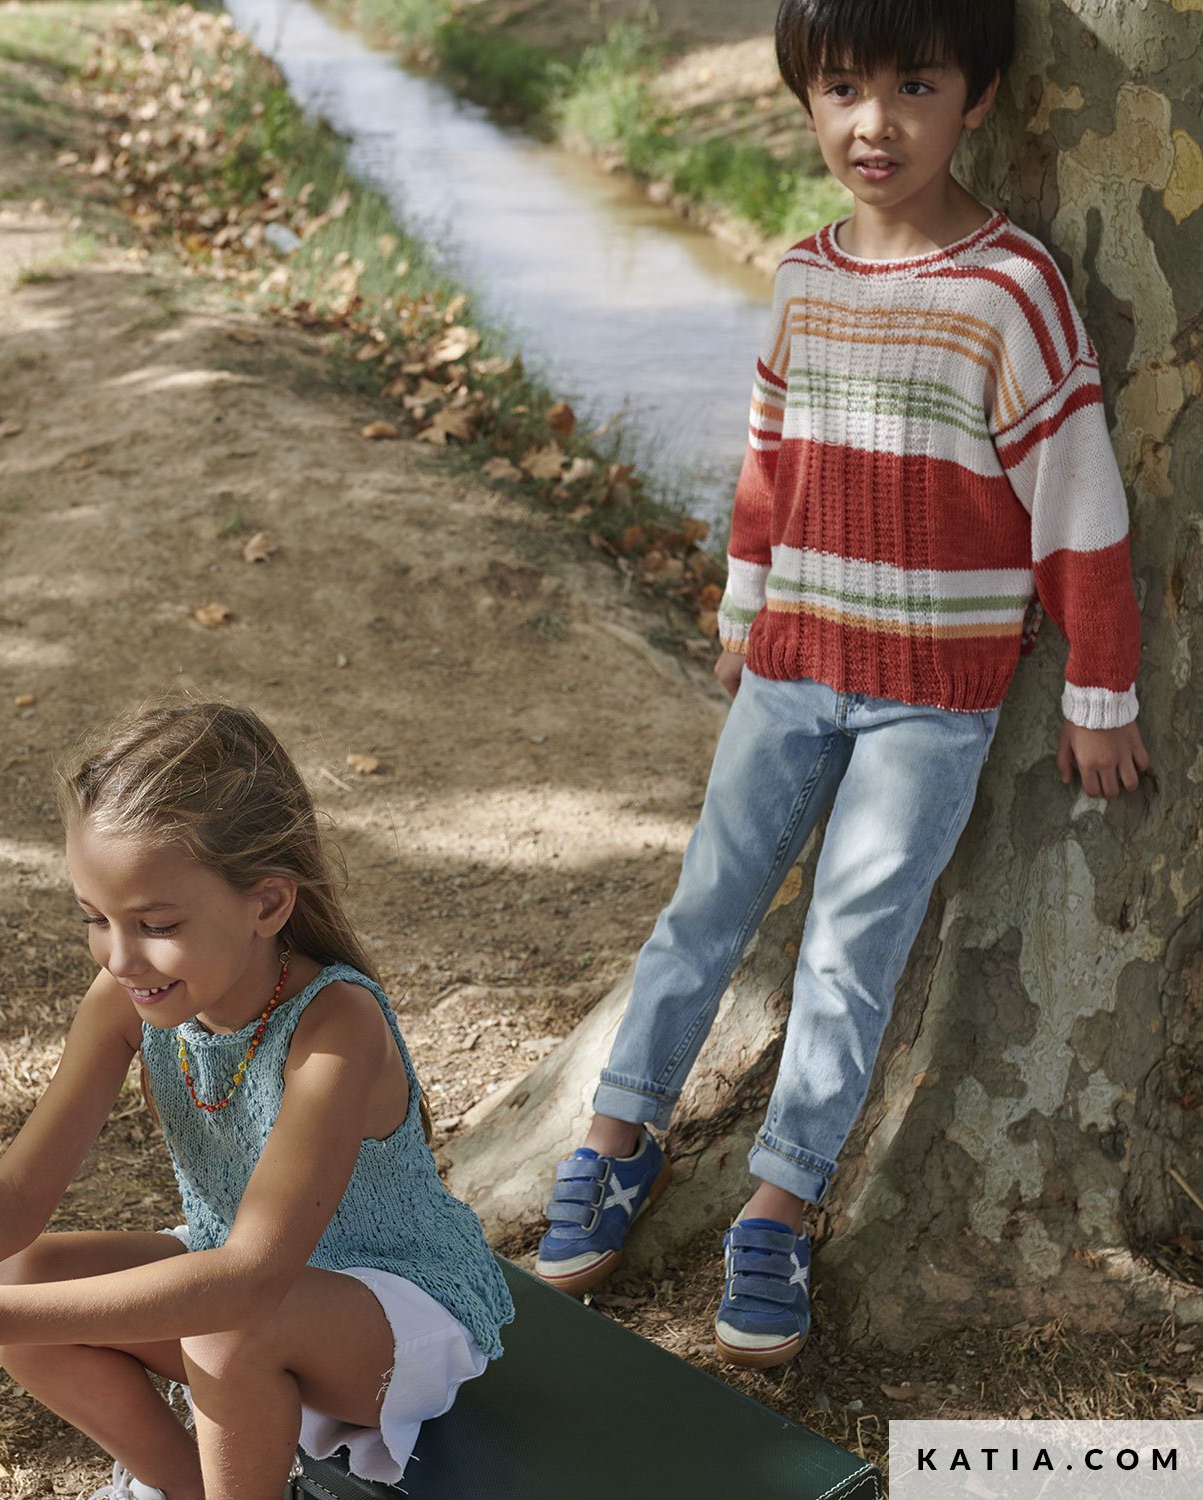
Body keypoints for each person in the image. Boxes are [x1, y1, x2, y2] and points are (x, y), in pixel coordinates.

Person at [535, 0, 1149, 1370]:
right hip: (793, 667)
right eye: (842, 89)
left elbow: (1076, 496)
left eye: (914, 87)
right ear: (807, 99)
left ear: (977, 98)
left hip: (935, 695)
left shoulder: (1013, 290)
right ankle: (618, 1141)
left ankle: (781, 1203)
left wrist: (1099, 688)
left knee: (851, 950)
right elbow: (770, 462)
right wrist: (743, 612)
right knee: (704, 907)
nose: (875, 123)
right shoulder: (803, 278)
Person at [0, 701, 514, 1500]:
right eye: (96, 918)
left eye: (154, 923)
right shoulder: (129, 996)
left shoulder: (337, 1026)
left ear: (267, 904)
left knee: (220, 1328)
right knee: (16, 1275)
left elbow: (249, 1279)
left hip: (399, 1315)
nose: (120, 958)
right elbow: (14, 1197)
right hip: (241, 1285)